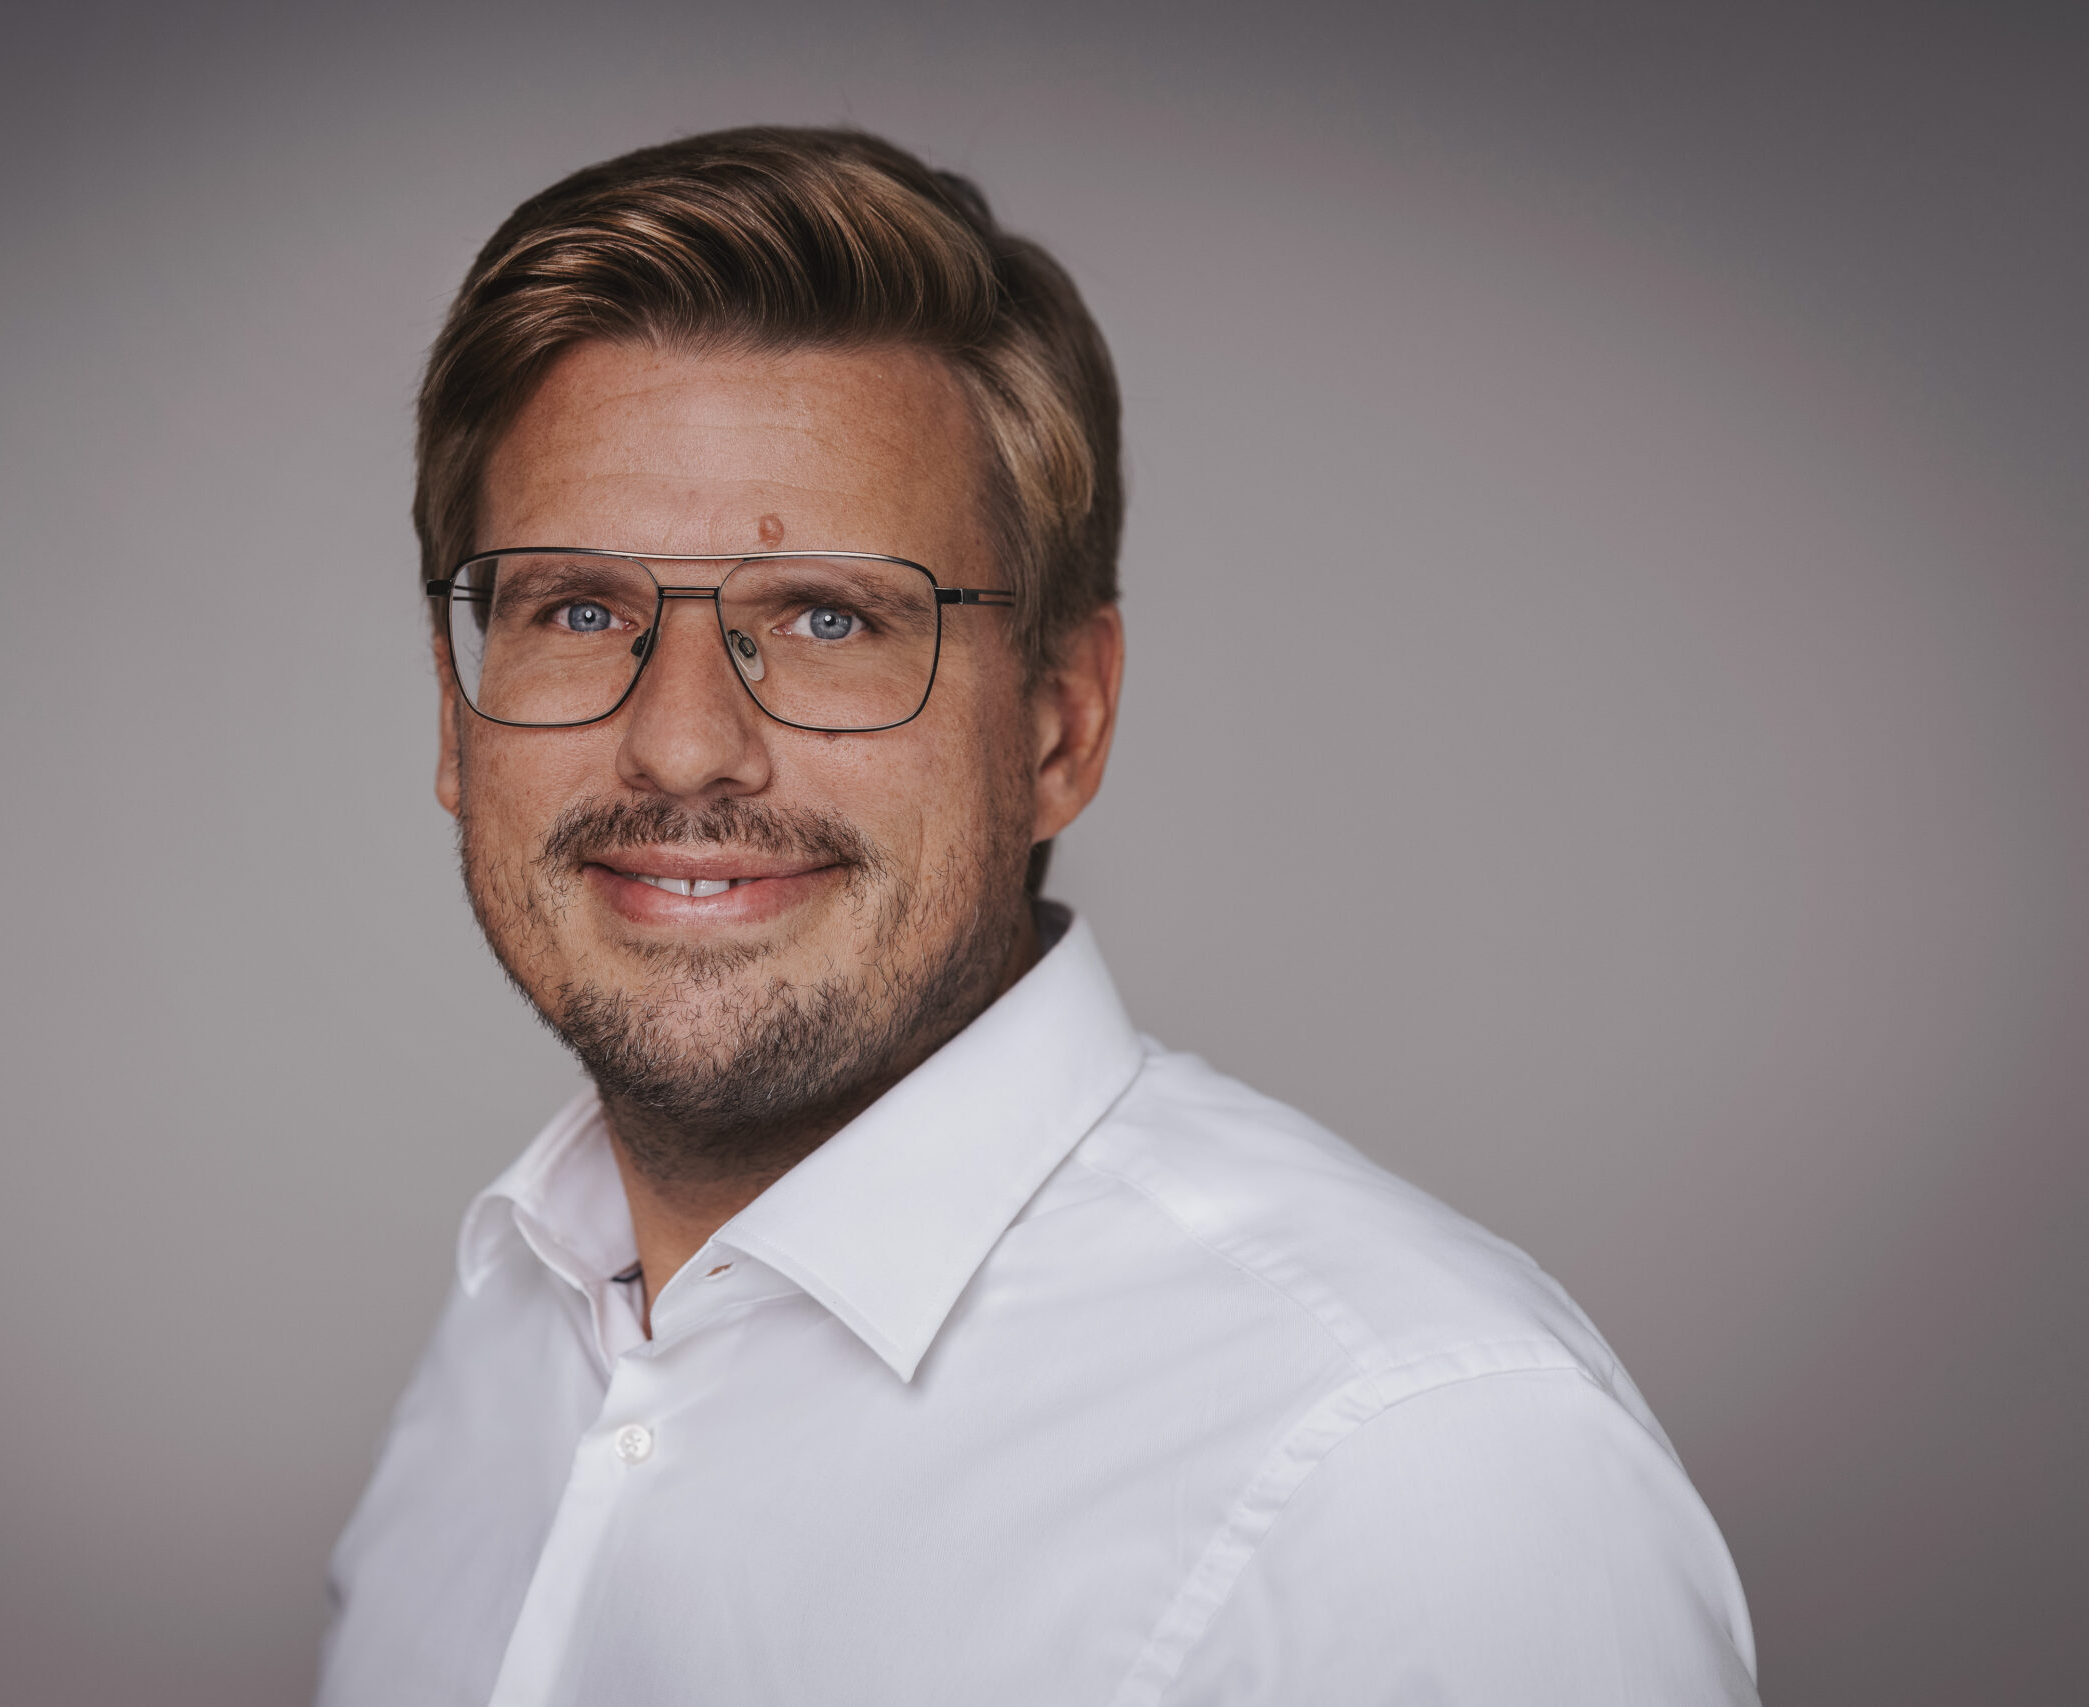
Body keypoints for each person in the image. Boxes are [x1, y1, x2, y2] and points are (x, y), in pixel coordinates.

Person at [318, 127, 1759, 1707]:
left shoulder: (1415, 1475)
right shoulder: (513, 1327)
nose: (681, 747)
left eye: (828, 617)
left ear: (1063, 722)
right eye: (580, 609)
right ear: (456, 719)